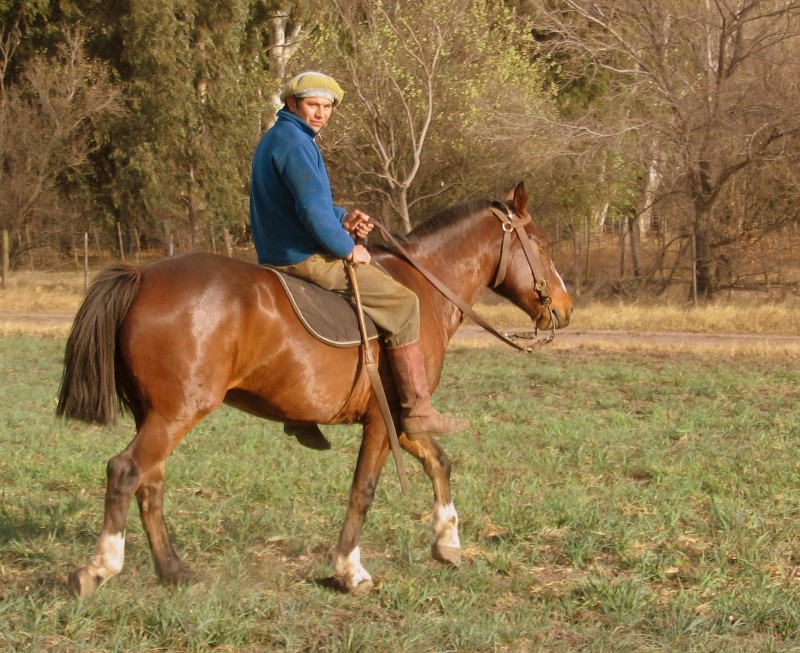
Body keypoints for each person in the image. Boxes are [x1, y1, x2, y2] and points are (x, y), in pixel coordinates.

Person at [250, 71, 469, 448]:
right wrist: (347, 247)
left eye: (326, 107)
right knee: (403, 302)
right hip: (303, 257)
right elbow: (309, 211)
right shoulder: (297, 144)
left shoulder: (280, 138)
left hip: (274, 254)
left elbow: (308, 205)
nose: (320, 114)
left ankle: (297, 414)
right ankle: (418, 409)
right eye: (313, 105)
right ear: (292, 104)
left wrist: (343, 216)